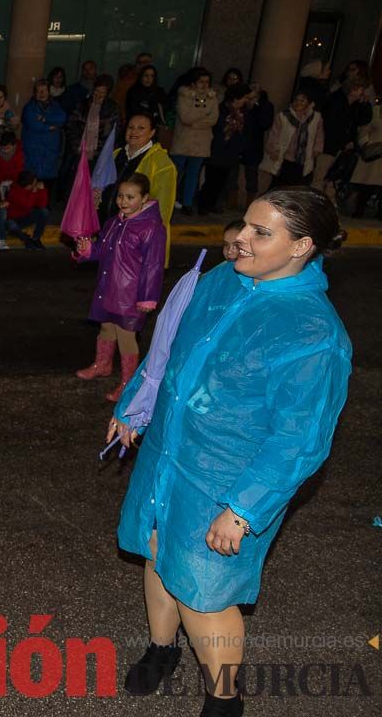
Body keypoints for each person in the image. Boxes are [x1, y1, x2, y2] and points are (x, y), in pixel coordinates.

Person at [110, 188, 351, 717]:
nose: (239, 239)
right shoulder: (225, 280)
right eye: (244, 224)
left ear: (302, 246)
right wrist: (135, 405)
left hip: (227, 481)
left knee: (205, 594)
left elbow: (300, 440)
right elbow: (168, 350)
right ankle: (161, 648)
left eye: (261, 233)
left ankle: (224, 697)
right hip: (169, 453)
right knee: (156, 550)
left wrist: (242, 509)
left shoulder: (314, 334)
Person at [73, 174, 166, 401]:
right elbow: (102, 252)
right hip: (108, 287)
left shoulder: (152, 227)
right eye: (120, 196)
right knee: (106, 328)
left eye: (130, 197)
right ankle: (102, 364)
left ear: (145, 198)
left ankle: (128, 383)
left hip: (130, 294)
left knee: (126, 337)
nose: (123, 201)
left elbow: (153, 266)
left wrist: (147, 298)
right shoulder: (114, 222)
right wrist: (88, 250)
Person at [103, 112, 177, 265]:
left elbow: (163, 208)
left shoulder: (162, 164)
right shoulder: (116, 154)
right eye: (130, 127)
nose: (134, 131)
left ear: (152, 133)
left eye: (141, 128)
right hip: (112, 231)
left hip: (136, 240)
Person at [170, 68, 220, 213]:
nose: (204, 85)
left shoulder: (212, 97)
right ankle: (169, 200)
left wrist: (196, 122)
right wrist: (203, 115)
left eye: (207, 82)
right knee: (175, 174)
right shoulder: (184, 95)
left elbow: (213, 118)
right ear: (193, 83)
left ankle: (187, 203)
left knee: (193, 174)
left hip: (201, 143)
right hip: (183, 141)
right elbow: (185, 117)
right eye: (201, 82)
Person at [199, 84, 253, 215]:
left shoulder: (243, 113)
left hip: (231, 152)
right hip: (217, 149)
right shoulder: (221, 109)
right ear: (236, 97)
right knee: (211, 179)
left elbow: (245, 132)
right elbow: (217, 129)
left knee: (222, 180)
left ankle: (212, 204)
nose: (246, 100)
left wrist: (240, 147)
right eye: (244, 97)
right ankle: (203, 205)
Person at [316, 76, 372, 196]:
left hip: (341, 148)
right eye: (361, 89)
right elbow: (331, 127)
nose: (363, 92)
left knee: (332, 180)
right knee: (319, 179)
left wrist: (365, 104)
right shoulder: (336, 102)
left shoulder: (354, 105)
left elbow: (364, 120)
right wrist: (344, 142)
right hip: (328, 147)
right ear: (353, 89)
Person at [260, 88, 324, 187]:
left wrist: (316, 149)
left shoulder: (316, 117)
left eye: (302, 100)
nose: (298, 103)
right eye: (296, 100)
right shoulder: (284, 116)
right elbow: (274, 134)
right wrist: (273, 150)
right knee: (278, 186)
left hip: (304, 159)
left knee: (296, 187)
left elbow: (319, 135)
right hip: (286, 158)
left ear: (309, 102)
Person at [66, 74, 119, 177]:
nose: (98, 96)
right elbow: (71, 125)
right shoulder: (82, 105)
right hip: (79, 151)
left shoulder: (112, 108)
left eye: (102, 93)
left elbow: (115, 132)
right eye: (96, 92)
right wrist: (76, 145)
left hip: (100, 154)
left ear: (107, 93)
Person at [21, 79, 67, 197]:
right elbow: (33, 124)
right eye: (38, 91)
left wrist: (45, 118)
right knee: (32, 179)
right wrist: (48, 127)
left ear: (48, 91)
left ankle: (44, 204)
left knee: (47, 180)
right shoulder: (29, 107)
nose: (41, 93)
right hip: (34, 149)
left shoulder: (56, 106)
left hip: (50, 149)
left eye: (44, 90)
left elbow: (62, 118)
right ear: (34, 93)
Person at [348, 100, 382, 219]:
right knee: (366, 185)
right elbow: (364, 129)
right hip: (372, 153)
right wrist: (365, 144)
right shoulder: (375, 111)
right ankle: (359, 211)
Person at [6, 170, 49, 249]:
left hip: (26, 216)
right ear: (28, 185)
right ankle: (27, 240)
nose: (36, 184)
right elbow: (27, 205)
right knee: (11, 226)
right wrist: (33, 192)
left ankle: (36, 238)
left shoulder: (32, 189)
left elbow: (42, 205)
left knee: (44, 211)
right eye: (34, 183)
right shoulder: (14, 191)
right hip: (13, 219)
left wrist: (43, 191)